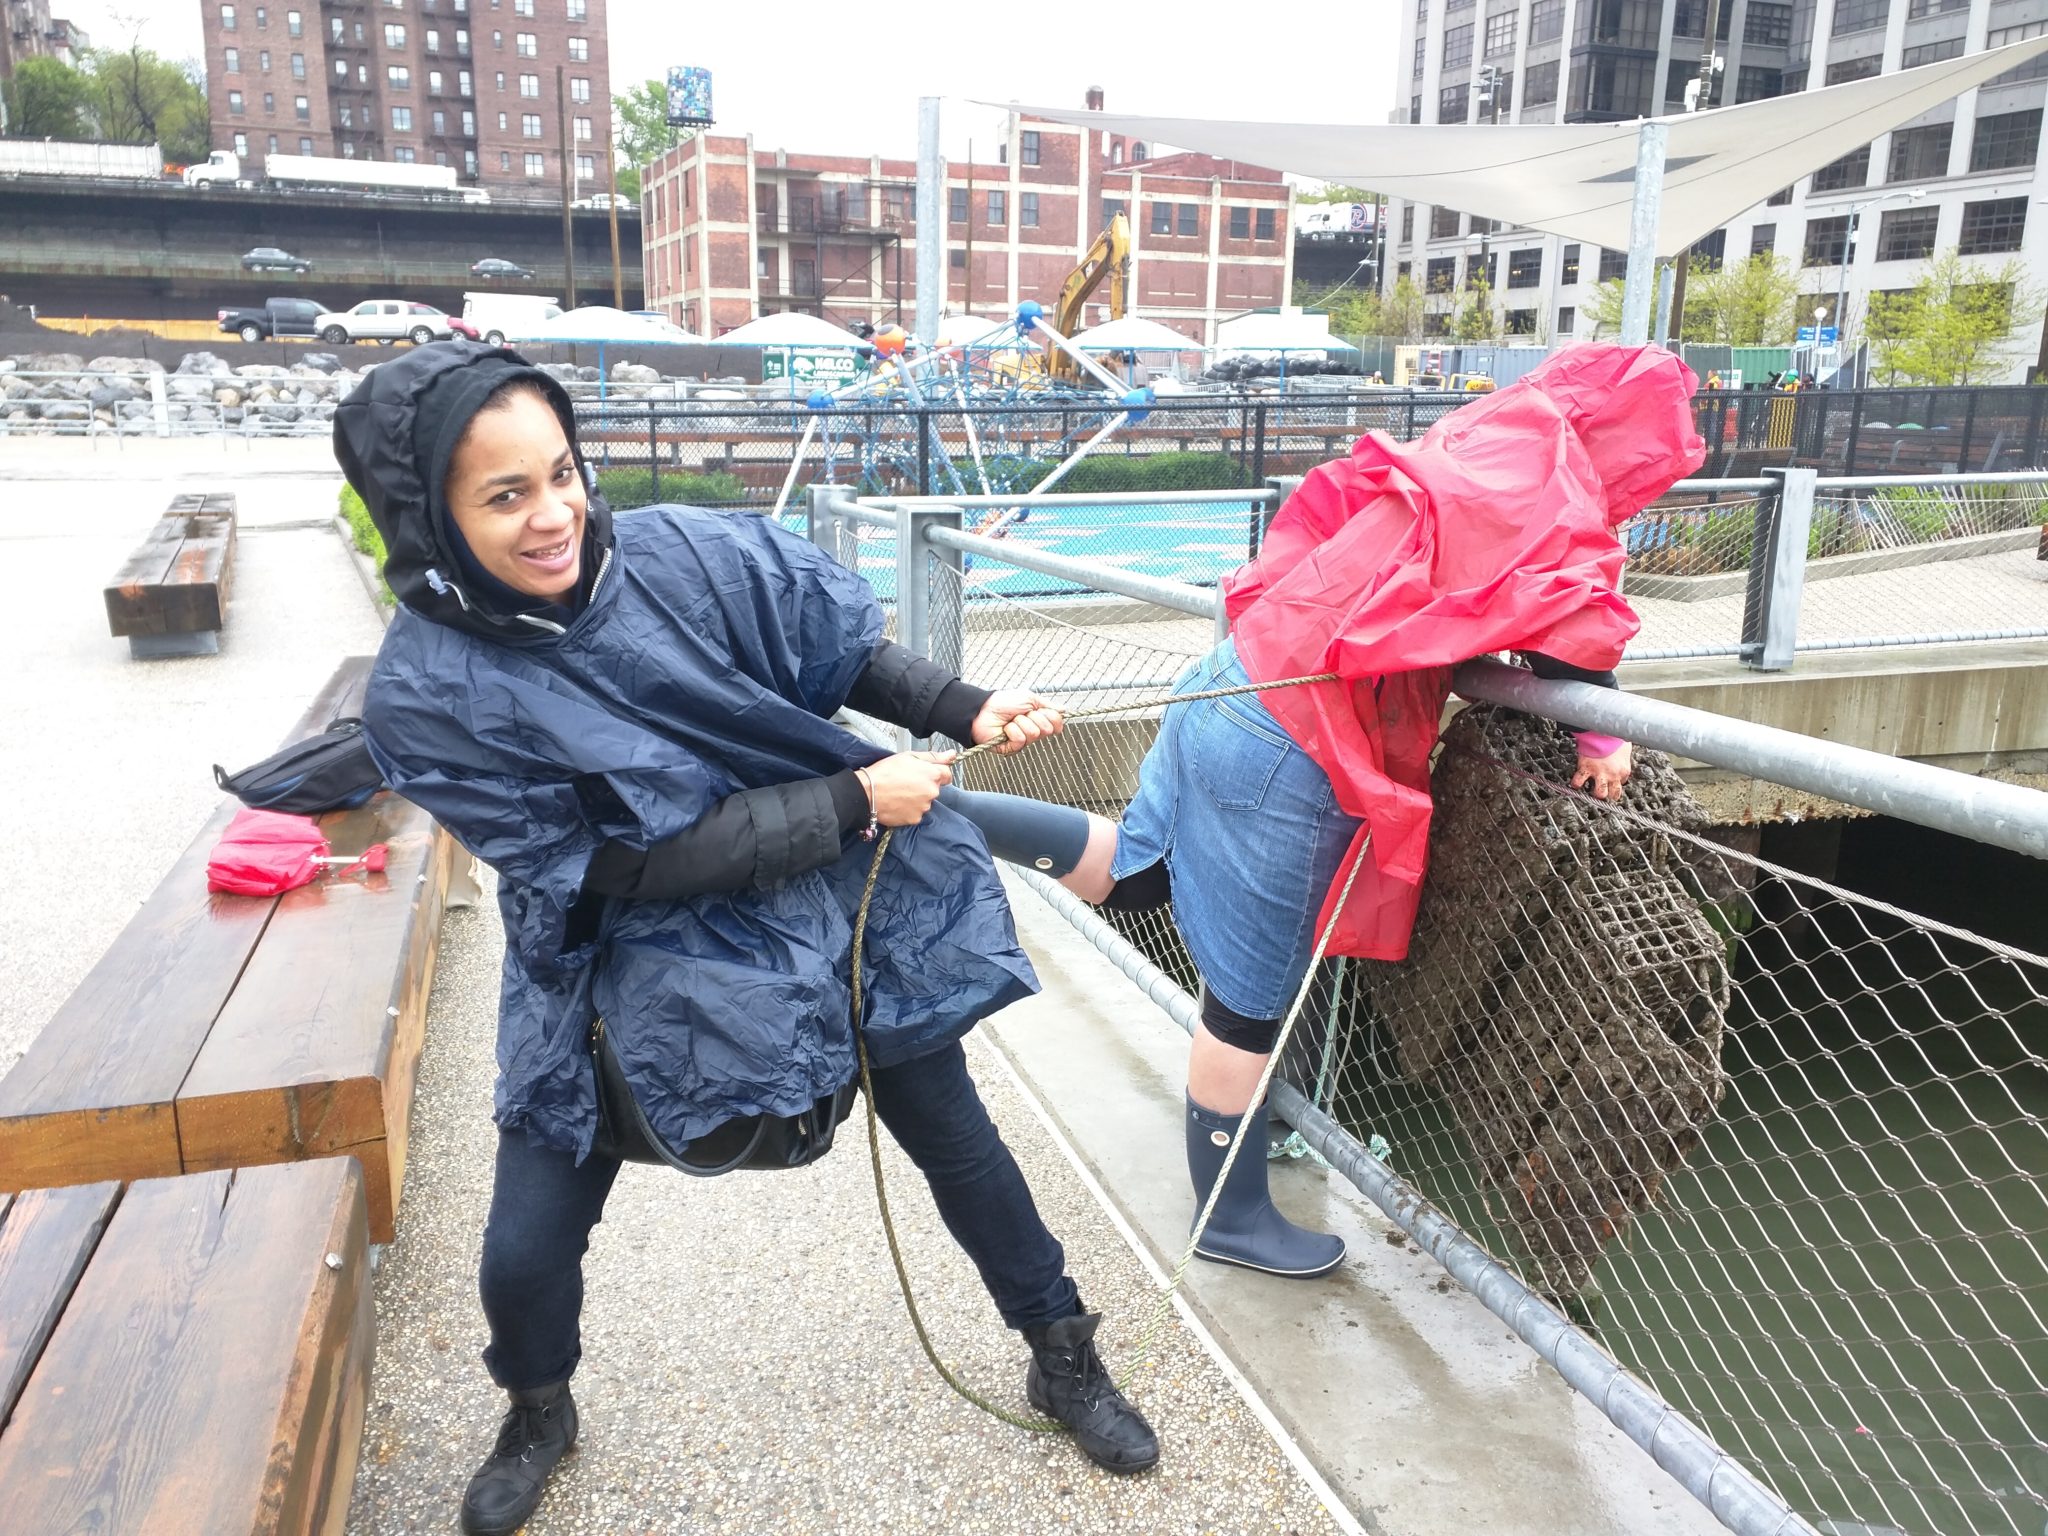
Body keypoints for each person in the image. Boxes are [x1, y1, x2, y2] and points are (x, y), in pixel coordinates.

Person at [334, 343, 1159, 1536]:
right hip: (612, 946)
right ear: (429, 516)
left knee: (959, 1143)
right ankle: (535, 1402)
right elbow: (608, 865)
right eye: (504, 496)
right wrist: (842, 803)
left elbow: (844, 654)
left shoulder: (682, 553)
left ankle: (1058, 1346)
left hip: (831, 905)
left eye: (561, 473)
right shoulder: (427, 692)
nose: (554, 514)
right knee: (524, 1239)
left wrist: (959, 706)